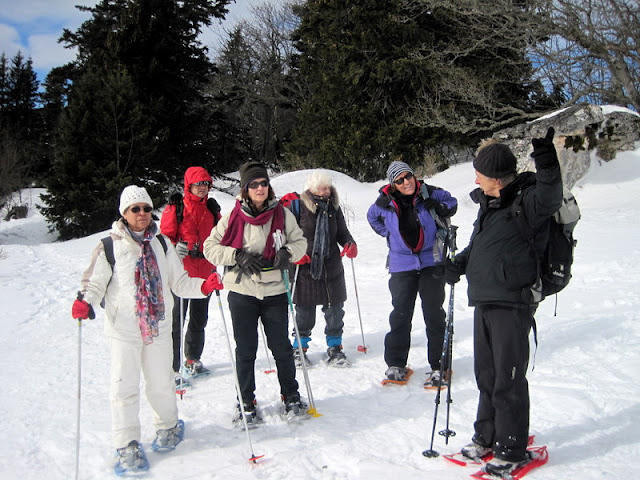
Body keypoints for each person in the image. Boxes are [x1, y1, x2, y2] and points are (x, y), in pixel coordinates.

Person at [71, 185, 223, 473]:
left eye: (146, 208)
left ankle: (167, 426)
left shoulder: (162, 244)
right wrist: (85, 303)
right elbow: (93, 283)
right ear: (124, 213)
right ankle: (127, 443)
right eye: (135, 209)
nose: (142, 214)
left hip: (158, 327)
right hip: (124, 329)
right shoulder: (109, 246)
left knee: (161, 382)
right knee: (124, 387)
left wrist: (203, 286)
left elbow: (178, 282)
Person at [444, 128, 562, 477]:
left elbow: (552, 195)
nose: (475, 177)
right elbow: (479, 246)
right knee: (487, 374)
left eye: (479, 171)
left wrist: (545, 159)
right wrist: (459, 264)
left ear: (495, 177)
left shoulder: (528, 202)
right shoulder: (490, 205)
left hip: (513, 302)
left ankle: (511, 449)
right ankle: (487, 436)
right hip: (485, 301)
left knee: (508, 379)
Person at [203, 162, 308, 424]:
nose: (260, 188)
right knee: (246, 349)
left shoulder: (283, 214)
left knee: (282, 348)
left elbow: (301, 241)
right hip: (243, 291)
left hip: (274, 290)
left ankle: (291, 395)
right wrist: (236, 255)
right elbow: (209, 247)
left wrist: (288, 253)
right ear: (245, 189)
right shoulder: (233, 217)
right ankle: (246, 401)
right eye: (254, 184)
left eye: (264, 183)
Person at [367, 161, 457, 386]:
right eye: (400, 180)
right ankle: (396, 364)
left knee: (434, 314)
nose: (406, 182)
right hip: (401, 264)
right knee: (400, 314)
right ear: (393, 184)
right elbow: (372, 217)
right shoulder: (384, 202)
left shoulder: (430, 192)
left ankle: (440, 365)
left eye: (409, 176)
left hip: (431, 260)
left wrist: (436, 206)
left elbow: (452, 203)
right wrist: (390, 234)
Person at [285, 171, 357, 367]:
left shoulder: (334, 207)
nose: (326, 192)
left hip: (331, 266)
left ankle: (335, 348)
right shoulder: (297, 207)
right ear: (311, 189)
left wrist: (349, 243)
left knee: (335, 310)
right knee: (305, 312)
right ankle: (299, 349)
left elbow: (342, 231)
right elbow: (287, 235)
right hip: (305, 267)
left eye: (328, 187)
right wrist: (294, 254)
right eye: (321, 188)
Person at [160, 166, 221, 381]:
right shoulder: (176, 208)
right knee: (177, 321)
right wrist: (174, 248)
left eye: (206, 184)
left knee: (199, 319)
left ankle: (192, 359)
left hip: (205, 272)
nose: (203, 188)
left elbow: (220, 235)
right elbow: (164, 240)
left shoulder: (212, 209)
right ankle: (172, 369)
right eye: (198, 184)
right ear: (189, 186)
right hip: (181, 273)